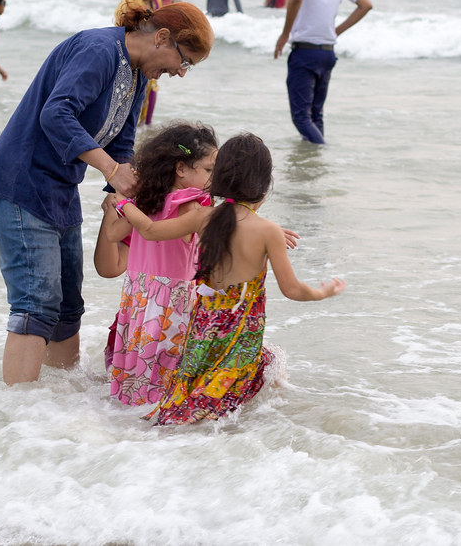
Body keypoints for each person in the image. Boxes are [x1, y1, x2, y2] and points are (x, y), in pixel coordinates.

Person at [0, 1, 214, 386]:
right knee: (37, 302)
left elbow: (123, 141)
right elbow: (56, 114)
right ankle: (16, 416)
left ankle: (62, 398)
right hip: (21, 184)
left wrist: (121, 192)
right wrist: (111, 171)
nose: (180, 73)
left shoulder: (138, 75)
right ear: (162, 38)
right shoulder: (99, 49)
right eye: (184, 61)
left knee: (68, 306)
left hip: (60, 188)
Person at [114, 133, 345, 425]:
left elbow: (147, 229)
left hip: (202, 330)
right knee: (271, 365)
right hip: (239, 338)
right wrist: (322, 293)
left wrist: (123, 203)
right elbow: (292, 289)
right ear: (265, 183)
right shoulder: (268, 231)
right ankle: (262, 427)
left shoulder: (204, 217)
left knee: (191, 396)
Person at [95, 122, 218, 407]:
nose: (215, 177)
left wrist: (118, 203)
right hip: (171, 303)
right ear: (181, 169)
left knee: (139, 373)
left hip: (139, 301)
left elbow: (113, 234)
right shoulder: (192, 205)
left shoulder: (145, 203)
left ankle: (130, 421)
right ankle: (161, 429)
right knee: (166, 375)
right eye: (209, 169)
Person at [273, 0, 373, 144]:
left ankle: (321, 152)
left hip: (305, 53)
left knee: (301, 117)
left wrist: (285, 34)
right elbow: (365, 4)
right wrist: (336, 31)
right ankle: (315, 169)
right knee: (316, 114)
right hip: (327, 52)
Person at [115, 0, 169, 125]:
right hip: (131, 62)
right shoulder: (127, 4)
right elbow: (119, 35)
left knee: (147, 119)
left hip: (150, 63)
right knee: (128, 112)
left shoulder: (157, 1)